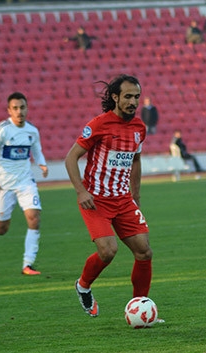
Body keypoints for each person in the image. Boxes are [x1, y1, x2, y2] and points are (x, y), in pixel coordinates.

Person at [64, 74, 153, 318]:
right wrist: (81, 191)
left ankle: (140, 307)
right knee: (108, 251)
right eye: (128, 97)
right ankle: (83, 286)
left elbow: (135, 160)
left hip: (123, 200)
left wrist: (136, 195)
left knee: (144, 252)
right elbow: (71, 158)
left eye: (136, 96)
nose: (133, 102)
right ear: (115, 97)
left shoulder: (139, 128)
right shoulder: (98, 125)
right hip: (95, 200)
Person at [0, 92, 49, 276]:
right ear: (9, 110)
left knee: (34, 218)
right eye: (15, 108)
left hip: (25, 182)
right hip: (3, 185)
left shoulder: (32, 131)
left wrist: (42, 163)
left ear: (27, 108)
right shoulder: (2, 130)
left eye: (22, 107)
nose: (19, 111)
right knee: (2, 228)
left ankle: (28, 264)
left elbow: (36, 150)